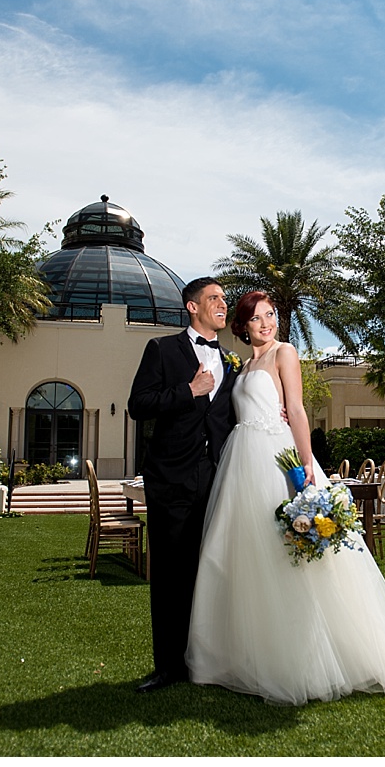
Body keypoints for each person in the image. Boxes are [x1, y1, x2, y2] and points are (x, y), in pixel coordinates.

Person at [185, 291, 385, 705]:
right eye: (256, 318)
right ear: (243, 326)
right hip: (241, 466)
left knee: (292, 556)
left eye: (271, 315)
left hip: (278, 461)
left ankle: (302, 656)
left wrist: (305, 467)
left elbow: (298, 410)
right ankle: (242, 654)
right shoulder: (244, 365)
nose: (266, 323)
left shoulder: (284, 353)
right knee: (245, 554)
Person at [127, 276, 238, 693]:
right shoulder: (161, 349)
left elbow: (229, 418)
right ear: (192, 307)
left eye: (224, 299)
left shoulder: (230, 360)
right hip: (171, 479)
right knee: (172, 575)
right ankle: (168, 666)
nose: (221, 304)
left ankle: (205, 661)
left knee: (212, 572)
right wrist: (188, 391)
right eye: (213, 298)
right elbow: (139, 404)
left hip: (218, 479)